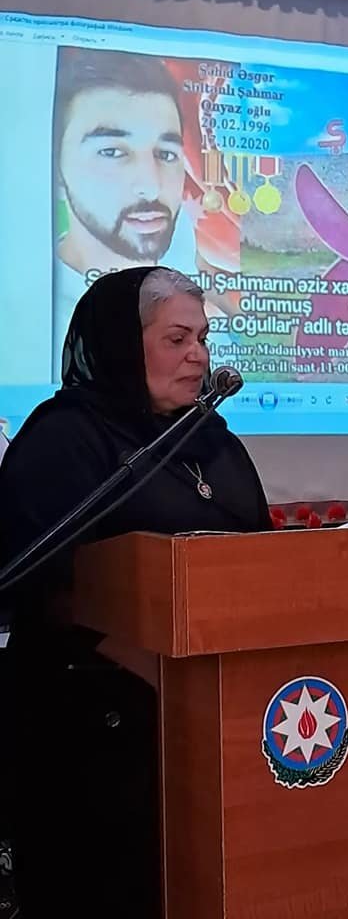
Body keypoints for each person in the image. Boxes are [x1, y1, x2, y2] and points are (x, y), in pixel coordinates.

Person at [0, 266, 273, 918]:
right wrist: (155, 658)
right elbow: (46, 582)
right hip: (91, 714)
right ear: (123, 344)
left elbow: (260, 557)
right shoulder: (65, 436)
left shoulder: (213, 441)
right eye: (177, 339)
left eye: (203, 339)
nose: (198, 356)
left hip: (216, 700)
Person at [52, 49, 197, 364]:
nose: (151, 185)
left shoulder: (191, 290)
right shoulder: (37, 317)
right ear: (57, 174)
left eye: (166, 154)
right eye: (113, 152)